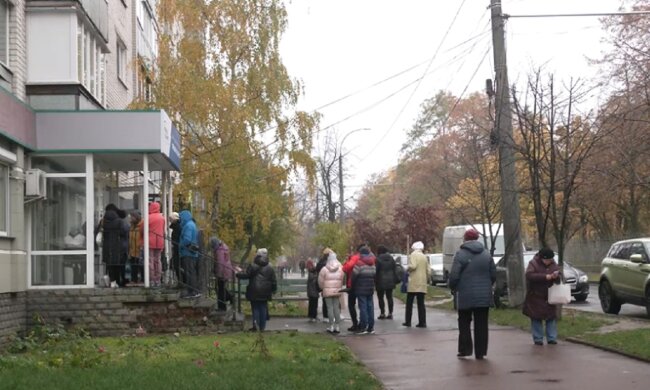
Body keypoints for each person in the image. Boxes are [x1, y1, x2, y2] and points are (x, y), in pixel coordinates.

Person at [448, 228, 496, 360]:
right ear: (477, 239)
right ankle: (480, 352)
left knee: (464, 322)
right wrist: (487, 286)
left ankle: (465, 349)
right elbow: (493, 274)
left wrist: (453, 287)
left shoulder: (461, 254)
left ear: (465, 239)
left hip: (465, 294)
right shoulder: (486, 254)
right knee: (481, 324)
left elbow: (454, 275)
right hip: (483, 295)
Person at [522, 247, 562, 346]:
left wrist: (556, 277)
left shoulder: (553, 264)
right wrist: (545, 277)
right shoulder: (533, 263)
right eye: (547, 260)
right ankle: (538, 339)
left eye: (551, 260)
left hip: (550, 296)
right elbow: (529, 275)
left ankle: (552, 338)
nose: (549, 261)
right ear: (542, 258)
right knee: (536, 318)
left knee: (551, 318)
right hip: (536, 296)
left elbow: (559, 279)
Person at [237, 248, 277, 331]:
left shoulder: (253, 265)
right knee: (263, 308)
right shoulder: (270, 267)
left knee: (255, 308)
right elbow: (274, 281)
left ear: (257, 255)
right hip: (265, 291)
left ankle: (256, 326)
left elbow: (246, 275)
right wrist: (273, 290)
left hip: (254, 290)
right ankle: (262, 328)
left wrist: (238, 274)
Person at [96, 204, 129, 287]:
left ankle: (112, 282)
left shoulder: (103, 221)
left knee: (110, 265)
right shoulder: (120, 221)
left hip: (107, 247)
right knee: (119, 265)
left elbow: (97, 231)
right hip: (119, 246)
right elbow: (125, 231)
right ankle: (119, 281)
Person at [403, 241, 430, 328]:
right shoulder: (424, 256)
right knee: (421, 303)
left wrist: (407, 268)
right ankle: (422, 322)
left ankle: (408, 321)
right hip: (422, 282)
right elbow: (428, 270)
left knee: (409, 302)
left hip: (414, 281)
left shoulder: (413, 254)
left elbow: (413, 266)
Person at [139, 202, 165, 287]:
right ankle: (158, 279)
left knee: (150, 261)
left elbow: (142, 229)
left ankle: (152, 279)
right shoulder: (162, 218)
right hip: (160, 240)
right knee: (158, 260)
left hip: (149, 241)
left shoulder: (148, 218)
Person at [352, 246, 376, 334]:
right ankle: (371, 327)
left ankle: (363, 326)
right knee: (370, 307)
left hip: (360, 288)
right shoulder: (372, 263)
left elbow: (354, 276)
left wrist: (352, 286)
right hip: (370, 288)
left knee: (363, 307)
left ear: (361, 254)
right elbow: (374, 274)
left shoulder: (359, 264)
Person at [318, 252, 344, 333]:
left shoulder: (324, 269)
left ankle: (331, 326)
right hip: (337, 290)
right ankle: (337, 326)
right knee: (336, 308)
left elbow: (320, 281)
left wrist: (323, 288)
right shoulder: (340, 268)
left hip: (327, 291)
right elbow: (342, 279)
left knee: (330, 308)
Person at [342, 244, 365, 331]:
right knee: (362, 305)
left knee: (352, 305)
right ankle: (362, 323)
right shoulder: (367, 257)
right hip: (363, 284)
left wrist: (347, 261)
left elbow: (346, 268)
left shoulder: (355, 258)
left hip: (352, 284)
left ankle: (355, 323)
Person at [211, 237, 237, 311]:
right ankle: (230, 297)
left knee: (220, 290)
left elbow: (220, 264)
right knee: (221, 288)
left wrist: (219, 274)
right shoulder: (223, 248)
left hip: (223, 272)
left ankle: (222, 307)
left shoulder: (219, 251)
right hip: (226, 271)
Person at [179, 210, 200, 298]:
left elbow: (187, 239)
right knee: (191, 272)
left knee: (189, 272)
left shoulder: (188, 226)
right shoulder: (192, 224)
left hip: (187, 252)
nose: (180, 219)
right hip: (191, 253)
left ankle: (191, 291)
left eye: (181, 217)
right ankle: (194, 290)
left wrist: (180, 244)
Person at [375, 245, 398, 320]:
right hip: (390, 280)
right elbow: (395, 269)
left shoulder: (378, 259)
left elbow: (376, 271)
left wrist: (374, 280)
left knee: (380, 297)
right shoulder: (391, 258)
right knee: (389, 297)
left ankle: (382, 313)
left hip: (380, 280)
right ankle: (390, 313)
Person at [127, 211, 143, 284]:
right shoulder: (131, 227)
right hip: (133, 249)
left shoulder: (141, 226)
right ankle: (134, 279)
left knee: (141, 265)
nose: (130, 218)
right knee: (133, 265)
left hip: (140, 248)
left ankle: (143, 279)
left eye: (131, 217)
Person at [315, 248, 331, 320]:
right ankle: (328, 315)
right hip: (329, 282)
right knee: (330, 300)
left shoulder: (320, 262)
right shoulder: (328, 263)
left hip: (323, 283)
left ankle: (325, 316)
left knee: (325, 299)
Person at [169, 212, 181, 286]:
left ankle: (179, 281)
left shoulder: (177, 227)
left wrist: (174, 243)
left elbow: (176, 237)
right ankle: (178, 280)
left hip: (177, 247)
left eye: (171, 219)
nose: (170, 220)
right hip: (176, 247)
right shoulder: (176, 227)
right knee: (175, 264)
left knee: (176, 264)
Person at [306, 258, 319, 322]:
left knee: (312, 304)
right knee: (313, 304)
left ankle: (312, 316)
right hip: (314, 291)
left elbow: (310, 282)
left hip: (312, 291)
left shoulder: (311, 272)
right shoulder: (314, 272)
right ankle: (313, 316)